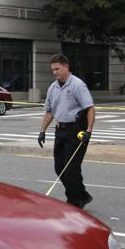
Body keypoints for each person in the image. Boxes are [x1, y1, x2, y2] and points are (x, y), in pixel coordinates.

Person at [37, 54, 96, 209]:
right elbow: (49, 111)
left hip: (77, 131)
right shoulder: (53, 87)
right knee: (59, 167)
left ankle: (74, 200)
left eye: (57, 69)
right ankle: (81, 195)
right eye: (52, 70)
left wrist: (89, 131)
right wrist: (42, 130)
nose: (55, 72)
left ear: (66, 67)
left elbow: (90, 108)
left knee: (71, 168)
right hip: (61, 130)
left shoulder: (77, 85)